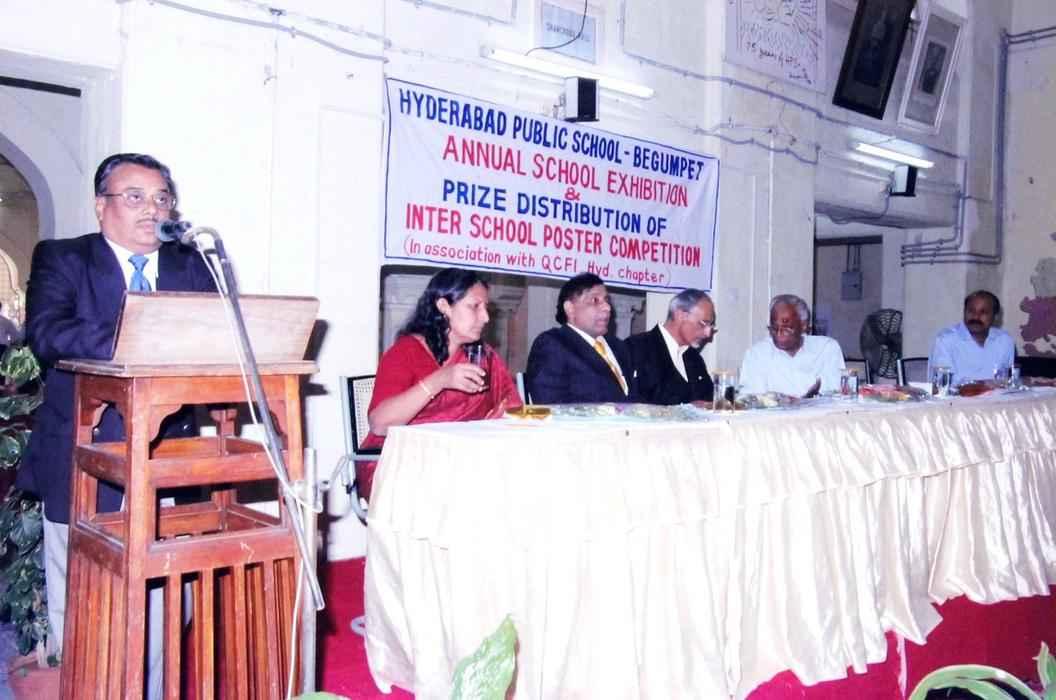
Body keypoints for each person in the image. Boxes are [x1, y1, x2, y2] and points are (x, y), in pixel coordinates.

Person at [17, 153, 217, 698]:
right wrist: (143, 336)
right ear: (101, 205)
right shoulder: (65, 257)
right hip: (84, 456)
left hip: (167, 457)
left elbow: (216, 335)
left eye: (161, 198)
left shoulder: (192, 264)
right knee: (84, 602)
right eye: (135, 197)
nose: (152, 209)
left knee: (165, 605)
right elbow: (49, 334)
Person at [361, 267, 522, 499]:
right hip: (402, 464)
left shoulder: (483, 357)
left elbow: (510, 410)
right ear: (444, 306)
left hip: (461, 459)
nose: (486, 317)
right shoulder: (405, 352)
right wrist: (440, 380)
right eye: (475, 306)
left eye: (486, 308)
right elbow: (379, 424)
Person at [525, 272, 633, 404]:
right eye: (595, 300)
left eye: (607, 300)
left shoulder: (619, 347)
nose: (607, 307)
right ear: (570, 308)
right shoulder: (553, 345)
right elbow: (550, 405)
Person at [739, 294, 845, 397]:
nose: (779, 334)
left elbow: (833, 392)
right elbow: (753, 398)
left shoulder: (826, 348)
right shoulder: (757, 354)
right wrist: (811, 387)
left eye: (786, 328)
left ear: (803, 325)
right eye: (774, 328)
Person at [626, 288, 716, 405]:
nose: (708, 333)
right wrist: (687, 408)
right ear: (680, 315)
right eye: (703, 324)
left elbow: (709, 399)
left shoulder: (694, 358)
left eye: (711, 326)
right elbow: (632, 403)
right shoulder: (637, 348)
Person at [928, 290, 1015, 385]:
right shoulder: (946, 340)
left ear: (996, 316)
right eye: (971, 311)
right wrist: (985, 385)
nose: (976, 317)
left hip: (997, 395)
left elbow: (1009, 382)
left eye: (983, 312)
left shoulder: (1005, 341)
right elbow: (942, 384)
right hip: (957, 395)